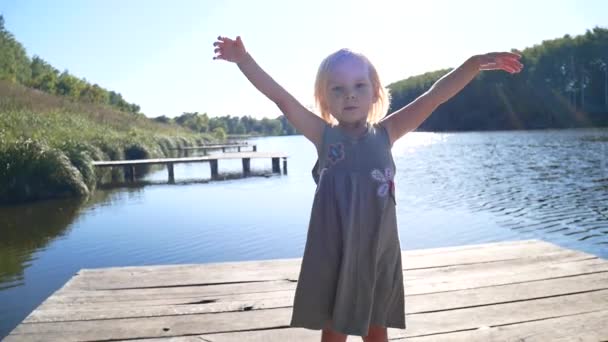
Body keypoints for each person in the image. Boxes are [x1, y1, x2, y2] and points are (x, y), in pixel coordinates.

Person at [212, 35, 522, 342]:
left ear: (375, 93)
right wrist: (244, 60)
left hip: (377, 255)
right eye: (338, 89)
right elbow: (281, 98)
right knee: (333, 332)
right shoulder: (322, 136)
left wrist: (472, 65)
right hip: (335, 255)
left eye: (359, 86)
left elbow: (434, 96)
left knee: (377, 332)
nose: (350, 95)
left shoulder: (388, 132)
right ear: (324, 100)